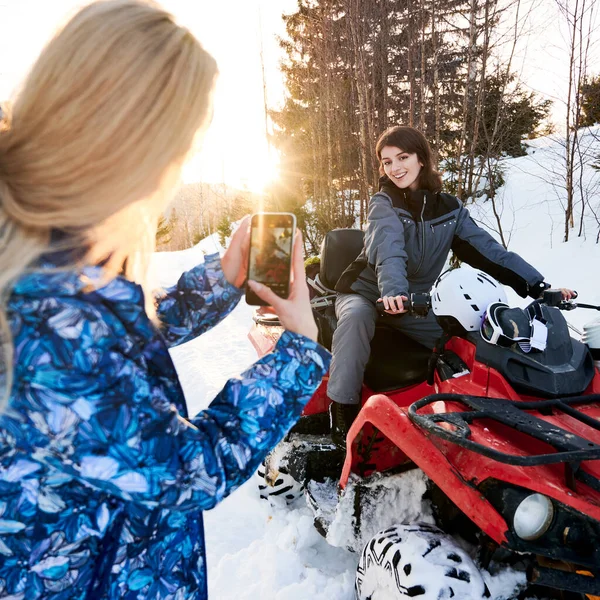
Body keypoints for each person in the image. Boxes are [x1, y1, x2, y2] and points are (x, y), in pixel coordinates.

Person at [0, 2, 329, 599]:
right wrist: (297, 354)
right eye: (175, 151)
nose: (171, 177)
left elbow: (116, 339)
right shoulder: (49, 314)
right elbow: (189, 471)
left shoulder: (40, 241)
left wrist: (222, 279)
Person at [328, 125, 573, 444]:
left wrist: (538, 286)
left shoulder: (450, 210)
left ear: (422, 159)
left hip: (413, 302)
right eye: (387, 162)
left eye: (402, 157)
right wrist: (393, 291)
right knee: (356, 319)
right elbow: (388, 249)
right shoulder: (383, 203)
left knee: (468, 338)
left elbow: (490, 253)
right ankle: (341, 413)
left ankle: (480, 413)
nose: (395, 168)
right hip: (367, 292)